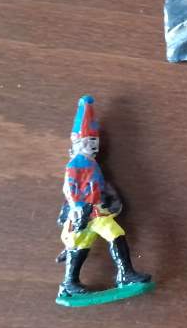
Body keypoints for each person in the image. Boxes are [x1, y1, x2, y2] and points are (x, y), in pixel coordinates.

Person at [57, 95, 151, 298]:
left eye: (94, 141)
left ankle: (125, 273)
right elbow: (70, 188)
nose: (92, 145)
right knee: (79, 246)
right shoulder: (77, 164)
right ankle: (69, 282)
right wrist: (79, 208)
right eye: (88, 141)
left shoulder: (91, 163)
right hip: (83, 214)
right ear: (77, 143)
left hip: (98, 213)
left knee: (116, 234)